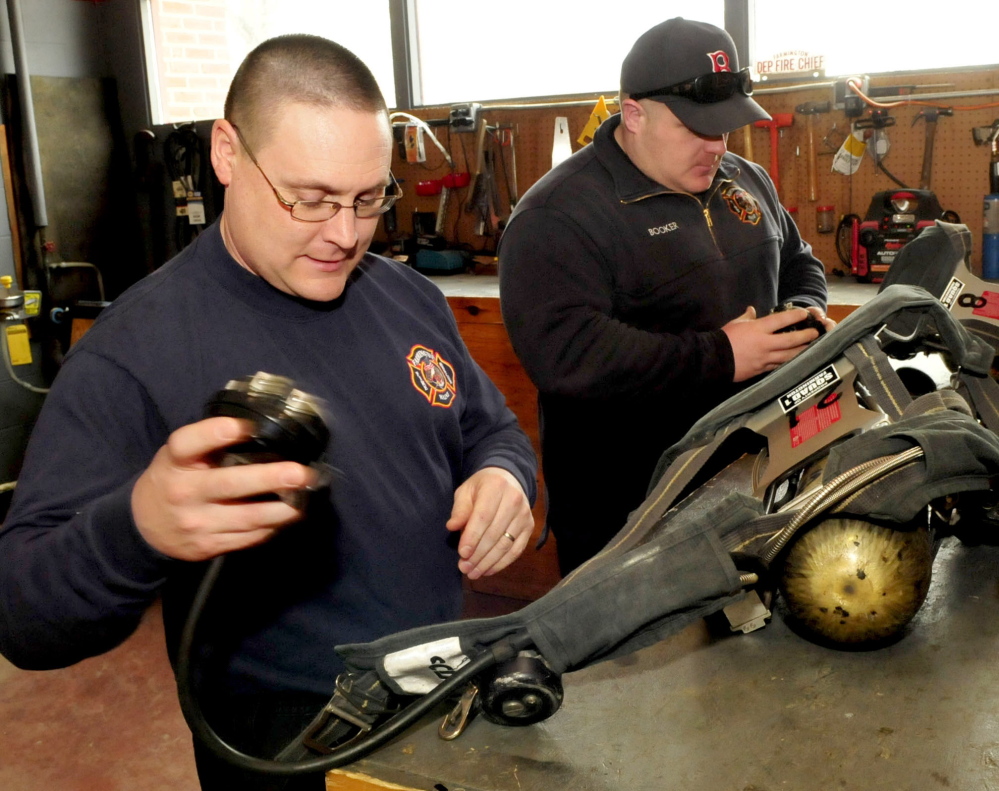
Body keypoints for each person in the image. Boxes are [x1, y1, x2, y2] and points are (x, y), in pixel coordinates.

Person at [0, 35, 537, 791]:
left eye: (366, 199)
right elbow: (20, 613)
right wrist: (138, 527)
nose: (344, 233)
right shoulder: (131, 352)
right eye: (310, 199)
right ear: (227, 154)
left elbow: (491, 429)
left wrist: (506, 476)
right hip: (285, 739)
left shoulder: (406, 297)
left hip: (441, 693)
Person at [498, 17, 833, 575]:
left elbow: (799, 262)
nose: (716, 147)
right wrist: (722, 357)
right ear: (634, 114)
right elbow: (569, 355)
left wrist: (806, 308)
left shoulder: (744, 178)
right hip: (628, 510)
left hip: (754, 475)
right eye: (697, 129)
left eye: (725, 129)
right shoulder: (556, 216)